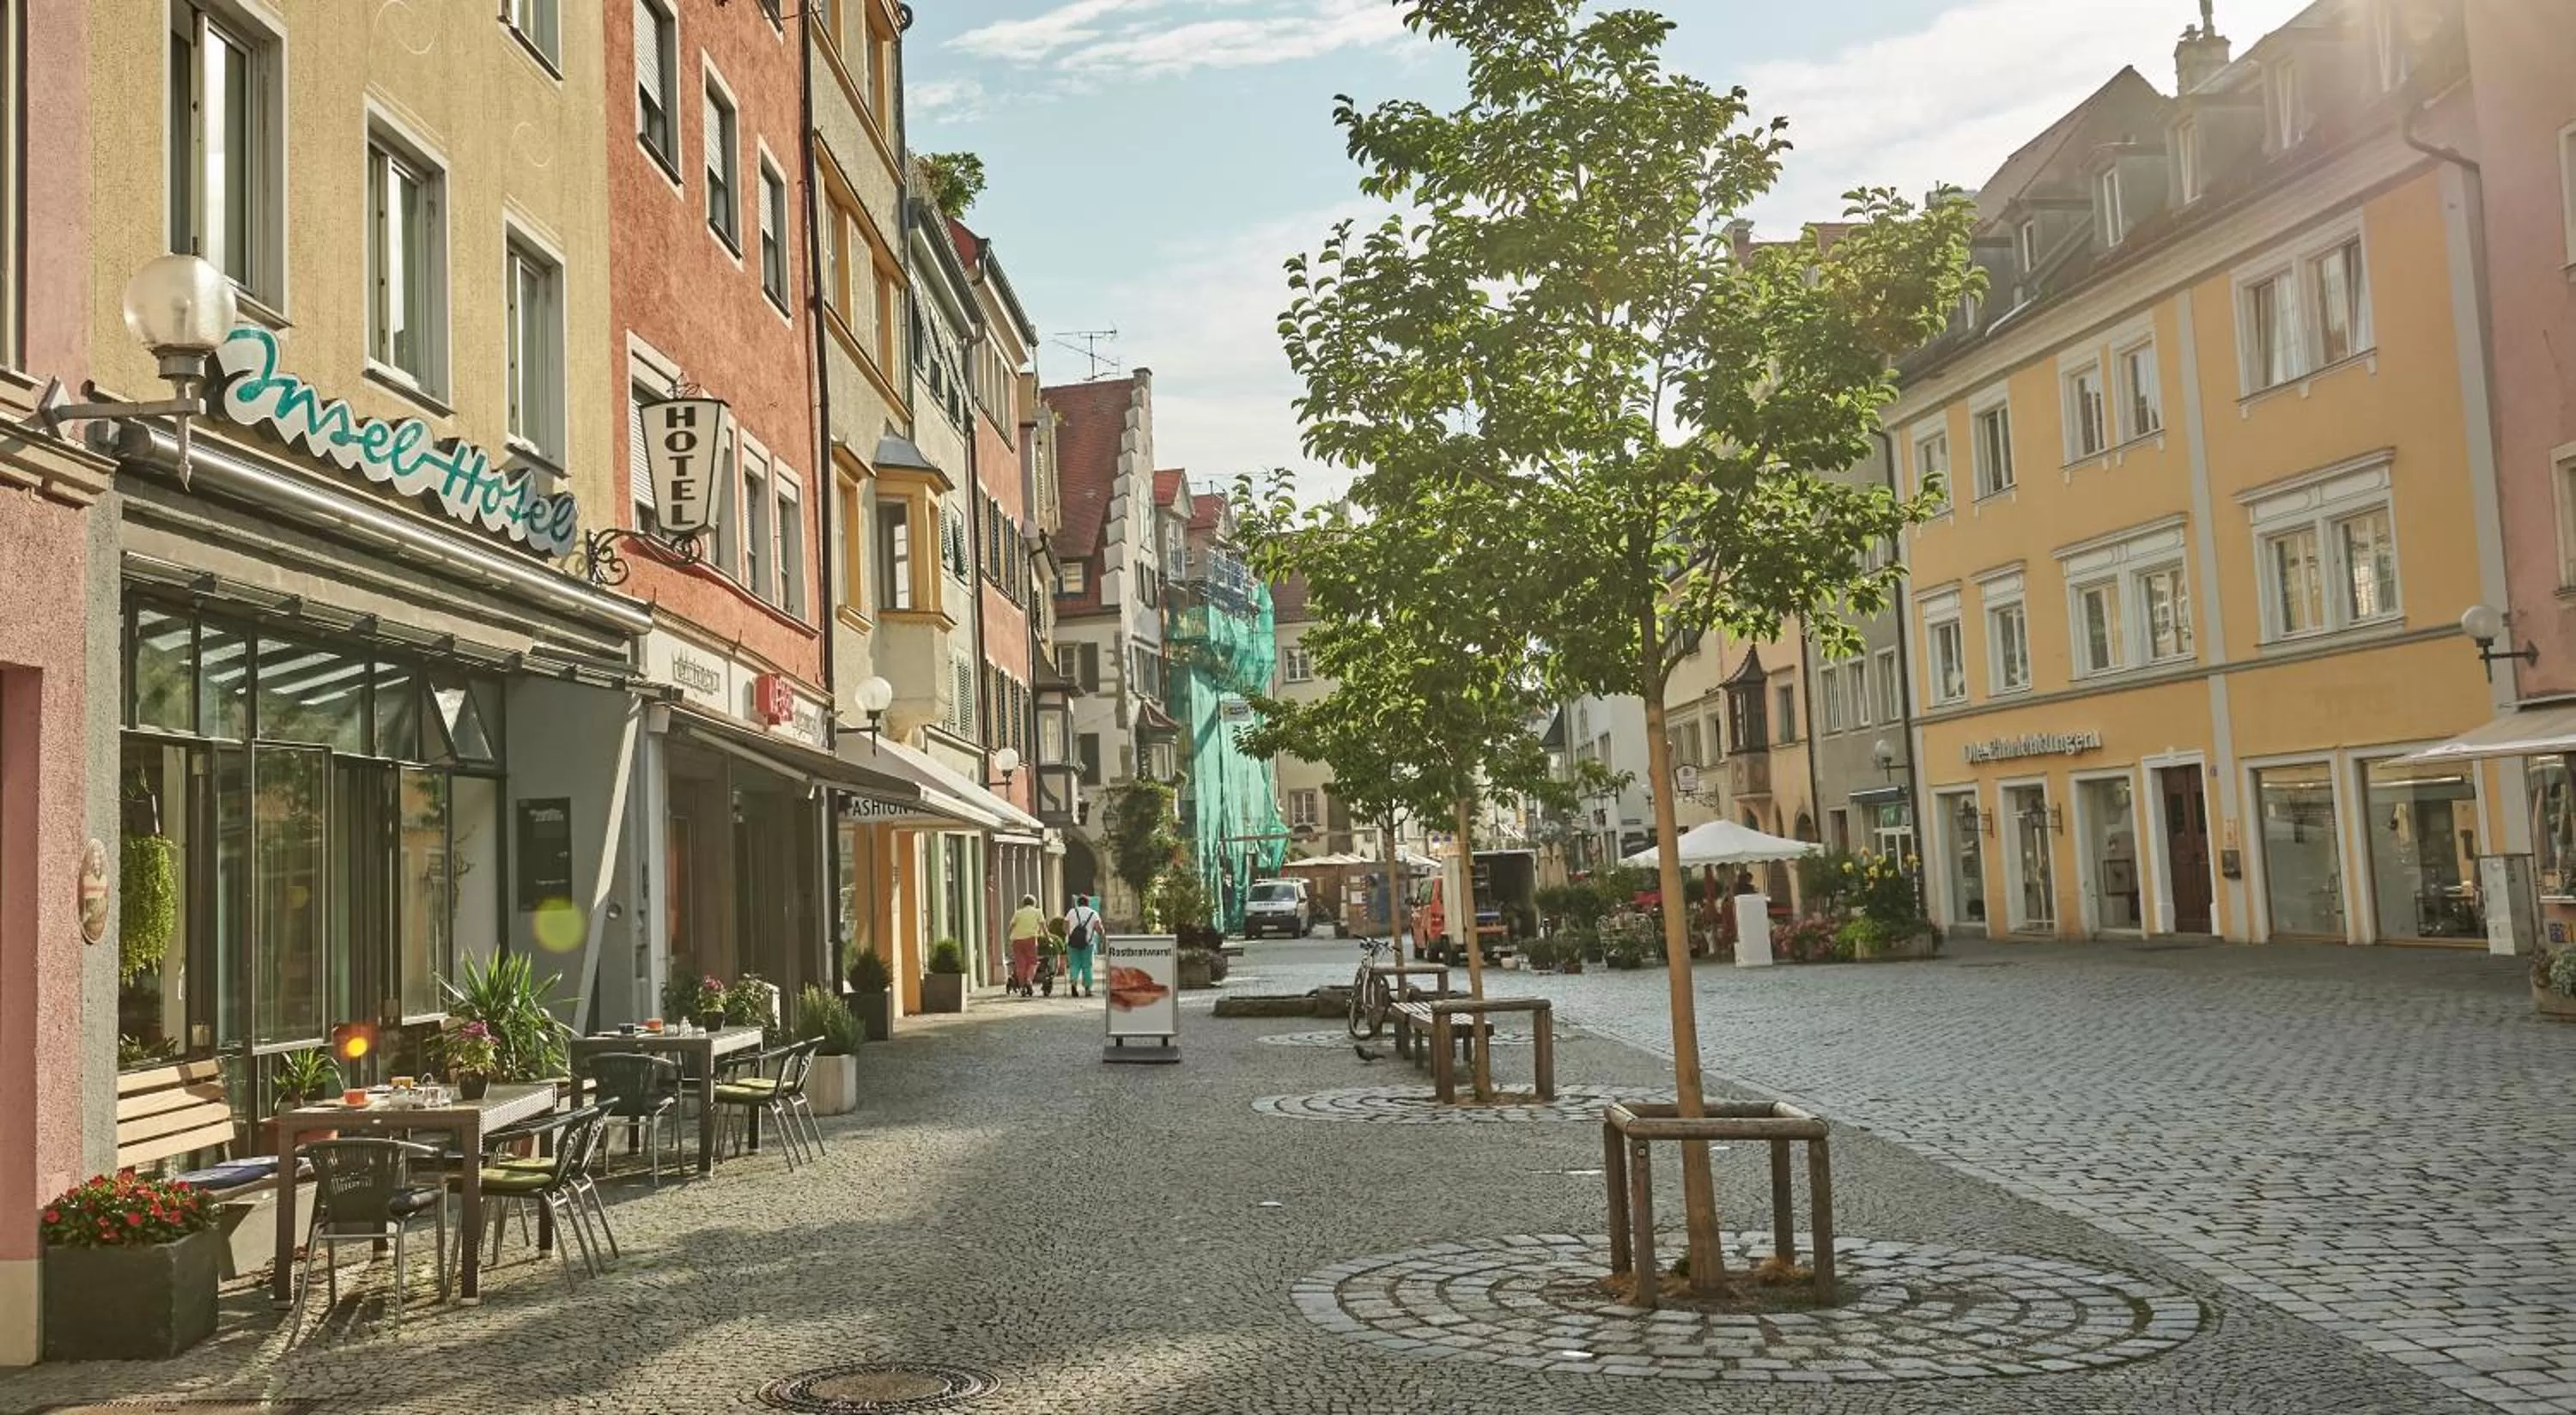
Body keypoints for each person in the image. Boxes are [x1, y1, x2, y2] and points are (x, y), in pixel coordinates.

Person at [1061, 893, 1102, 999]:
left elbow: (1064, 927)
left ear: (1077, 903)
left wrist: (1070, 936)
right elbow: (1099, 929)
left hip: (1073, 943)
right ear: (1088, 903)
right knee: (1087, 966)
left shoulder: (1071, 912)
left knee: (1074, 964)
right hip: (1088, 944)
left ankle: (1074, 984)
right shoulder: (1093, 913)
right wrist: (1099, 931)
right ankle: (1087, 989)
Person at [1006, 894, 1048, 997]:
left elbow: (1011, 926)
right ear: (1034, 903)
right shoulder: (1038, 912)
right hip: (1031, 939)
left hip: (1017, 940)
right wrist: (1048, 937)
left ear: (1023, 903)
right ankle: (1029, 980)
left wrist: (1010, 937)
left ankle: (1022, 987)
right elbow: (1043, 927)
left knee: (1020, 964)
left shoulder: (1018, 913)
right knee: (1032, 962)